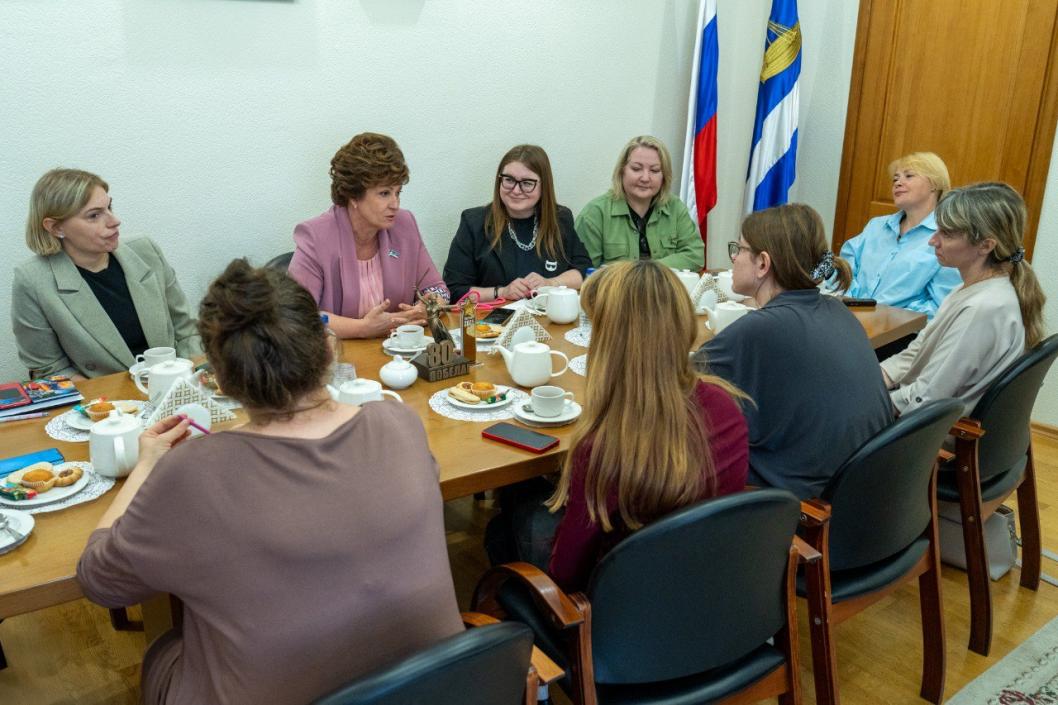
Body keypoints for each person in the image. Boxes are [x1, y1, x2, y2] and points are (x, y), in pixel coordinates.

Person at [77, 260, 463, 705]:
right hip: (435, 687)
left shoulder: (195, 472)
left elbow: (99, 580)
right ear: (328, 347)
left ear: (219, 379)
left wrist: (145, 467)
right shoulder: (398, 422)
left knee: (167, 648)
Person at [488, 260, 748, 593]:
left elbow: (565, 575)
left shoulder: (606, 446)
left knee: (508, 521)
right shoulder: (726, 408)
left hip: (622, 616)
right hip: (710, 590)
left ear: (609, 343)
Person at [692, 204, 893, 500]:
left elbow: (674, 385)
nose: (733, 257)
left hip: (799, 501)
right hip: (861, 493)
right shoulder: (836, 309)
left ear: (763, 263)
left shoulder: (762, 329)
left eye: (740, 249)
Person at [12, 168, 201, 379]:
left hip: (174, 382)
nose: (114, 221)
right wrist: (110, 405)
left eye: (109, 207)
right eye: (94, 215)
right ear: (55, 228)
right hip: (103, 403)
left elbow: (186, 331)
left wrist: (185, 379)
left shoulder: (145, 250)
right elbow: (50, 369)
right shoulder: (33, 280)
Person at [880, 182, 1046, 415]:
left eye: (946, 234)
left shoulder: (983, 308)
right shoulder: (970, 288)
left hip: (927, 434)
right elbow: (919, 350)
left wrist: (867, 405)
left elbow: (925, 398)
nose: (932, 241)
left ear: (986, 245)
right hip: (926, 416)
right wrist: (879, 377)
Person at [288, 132, 449, 338]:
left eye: (398, 192)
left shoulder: (404, 224)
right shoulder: (315, 237)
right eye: (384, 193)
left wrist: (428, 306)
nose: (395, 204)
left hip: (398, 353)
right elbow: (297, 315)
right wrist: (364, 328)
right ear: (354, 196)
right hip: (339, 357)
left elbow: (438, 288)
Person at [442, 144, 591, 302]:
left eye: (527, 183)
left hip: (548, 320)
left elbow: (583, 271)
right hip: (490, 323)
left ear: (544, 185)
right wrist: (502, 292)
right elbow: (454, 290)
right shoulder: (474, 222)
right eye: (509, 180)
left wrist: (551, 283)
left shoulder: (560, 218)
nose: (516, 190)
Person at [840, 152, 962, 319]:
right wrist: (851, 302)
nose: (898, 182)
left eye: (909, 176)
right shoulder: (876, 226)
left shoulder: (948, 238)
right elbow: (844, 267)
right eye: (895, 178)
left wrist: (893, 316)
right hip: (847, 317)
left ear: (934, 184)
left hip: (901, 336)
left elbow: (942, 304)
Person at [575, 135, 704, 270]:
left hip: (665, 290)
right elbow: (584, 271)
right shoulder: (594, 214)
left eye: (654, 170)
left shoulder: (675, 208)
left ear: (664, 176)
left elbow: (695, 255)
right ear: (621, 171)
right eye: (636, 169)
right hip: (615, 291)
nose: (645, 178)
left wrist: (647, 269)